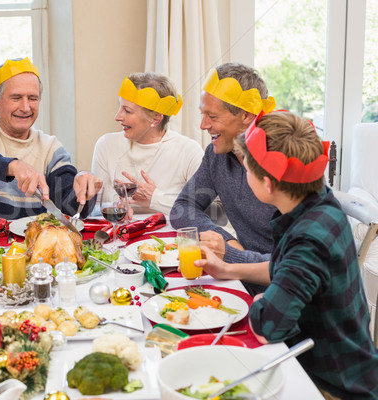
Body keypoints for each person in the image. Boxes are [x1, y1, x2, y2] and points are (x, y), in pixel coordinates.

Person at [198, 111, 378, 400]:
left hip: (332, 385)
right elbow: (285, 269)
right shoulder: (315, 203)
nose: (244, 174)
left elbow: (267, 326)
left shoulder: (309, 238)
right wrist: (229, 270)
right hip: (324, 365)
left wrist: (261, 301)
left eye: (246, 169)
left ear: (267, 183)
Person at [0, 57, 101, 220]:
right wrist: (11, 166)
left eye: (32, 98)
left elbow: (70, 207)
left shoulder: (51, 148)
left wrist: (86, 190)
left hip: (26, 244)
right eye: (16, 98)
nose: (26, 108)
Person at [169, 63, 276, 290]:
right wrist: (224, 240)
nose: (203, 125)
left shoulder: (282, 165)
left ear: (247, 115)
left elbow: (296, 267)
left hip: (280, 290)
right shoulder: (217, 155)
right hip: (239, 277)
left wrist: (232, 254)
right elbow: (183, 206)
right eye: (202, 114)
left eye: (212, 116)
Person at [92, 73, 203, 215]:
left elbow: (201, 210)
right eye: (120, 107)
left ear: (156, 119)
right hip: (121, 236)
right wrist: (114, 208)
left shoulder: (189, 151)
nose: (118, 117)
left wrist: (155, 198)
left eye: (127, 111)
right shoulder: (106, 145)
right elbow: (94, 209)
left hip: (171, 237)